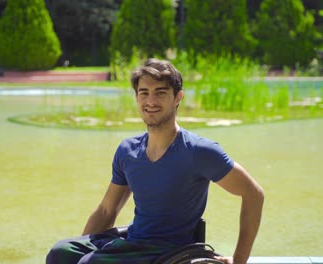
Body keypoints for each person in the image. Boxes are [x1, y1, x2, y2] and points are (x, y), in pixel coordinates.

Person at [46, 58, 264, 264]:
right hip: (134, 241)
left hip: (170, 250)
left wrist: (239, 260)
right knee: (60, 253)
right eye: (144, 93)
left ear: (178, 97)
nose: (150, 101)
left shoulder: (199, 151)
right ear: (137, 97)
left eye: (160, 93)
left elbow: (254, 194)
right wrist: (89, 250)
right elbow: (106, 211)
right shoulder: (127, 150)